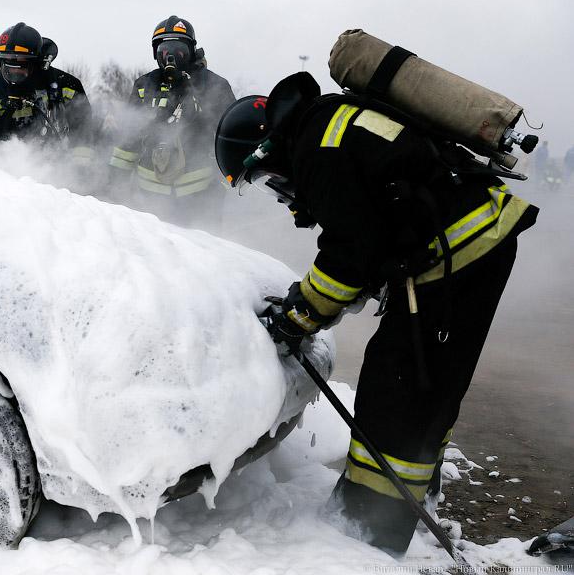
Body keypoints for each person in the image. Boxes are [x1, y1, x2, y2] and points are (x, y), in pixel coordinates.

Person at [214, 72, 538, 555]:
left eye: (263, 178)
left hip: (460, 256)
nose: (277, 191)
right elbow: (375, 230)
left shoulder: (317, 150)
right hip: (469, 248)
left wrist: (300, 316)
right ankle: (414, 491)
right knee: (427, 382)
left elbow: (350, 255)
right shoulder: (328, 125)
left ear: (267, 150)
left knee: (399, 389)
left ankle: (369, 526)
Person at [108, 16, 235, 230]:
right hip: (149, 200)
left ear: (192, 50)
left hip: (199, 200)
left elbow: (230, 138)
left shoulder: (214, 86)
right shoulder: (144, 85)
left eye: (178, 49)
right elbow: (129, 138)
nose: (170, 56)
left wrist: (221, 187)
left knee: (202, 255)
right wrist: (113, 185)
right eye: (163, 50)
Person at [0, 22, 92, 154]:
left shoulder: (66, 85)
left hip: (60, 164)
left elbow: (85, 132)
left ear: (37, 64)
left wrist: (79, 166)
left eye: (20, 67)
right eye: (7, 66)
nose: (13, 74)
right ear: (0, 62)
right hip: (5, 167)